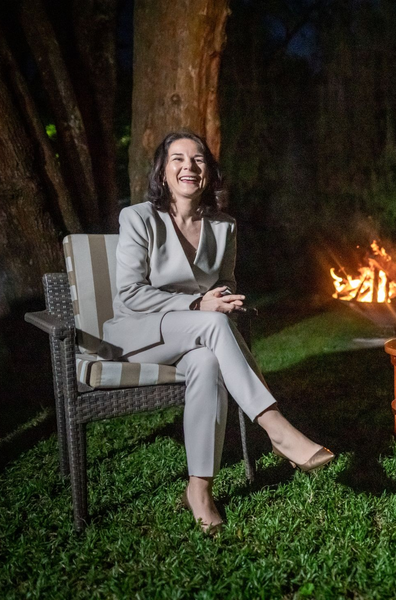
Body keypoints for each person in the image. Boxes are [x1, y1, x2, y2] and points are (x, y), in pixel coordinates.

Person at [100, 131, 334, 532]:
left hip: (200, 336)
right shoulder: (138, 218)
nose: (189, 166)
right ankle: (276, 427)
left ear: (208, 172)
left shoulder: (224, 226)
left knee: (207, 361)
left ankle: (200, 488)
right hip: (139, 336)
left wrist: (224, 302)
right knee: (210, 323)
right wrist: (198, 304)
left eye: (198, 160)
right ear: (162, 170)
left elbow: (222, 286)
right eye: (177, 159)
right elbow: (129, 295)